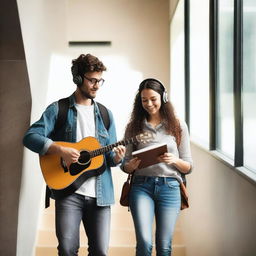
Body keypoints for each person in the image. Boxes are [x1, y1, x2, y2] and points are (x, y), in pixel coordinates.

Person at [23, 53, 126, 256]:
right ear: (78, 78)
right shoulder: (58, 109)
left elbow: (109, 159)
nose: (97, 85)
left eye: (100, 81)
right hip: (69, 193)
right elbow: (30, 137)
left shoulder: (106, 115)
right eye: (92, 80)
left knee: (100, 252)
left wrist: (117, 158)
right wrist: (60, 149)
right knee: (68, 250)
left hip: (100, 195)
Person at [120, 78, 193, 256]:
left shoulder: (178, 126)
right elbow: (124, 165)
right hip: (141, 186)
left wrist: (173, 160)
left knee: (164, 245)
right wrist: (130, 165)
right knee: (144, 243)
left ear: (163, 97)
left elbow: (188, 167)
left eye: (153, 99)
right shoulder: (133, 127)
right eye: (144, 100)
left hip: (170, 187)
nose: (149, 104)